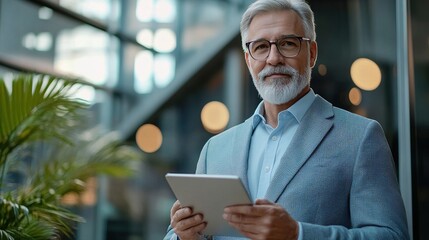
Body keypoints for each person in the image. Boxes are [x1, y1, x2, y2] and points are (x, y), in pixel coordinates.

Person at [164, 0, 410, 239]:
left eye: (288, 44)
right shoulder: (214, 149)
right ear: (249, 60)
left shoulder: (360, 137)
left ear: (311, 53)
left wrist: (298, 234)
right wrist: (184, 236)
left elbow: (392, 235)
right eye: (260, 47)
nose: (273, 58)